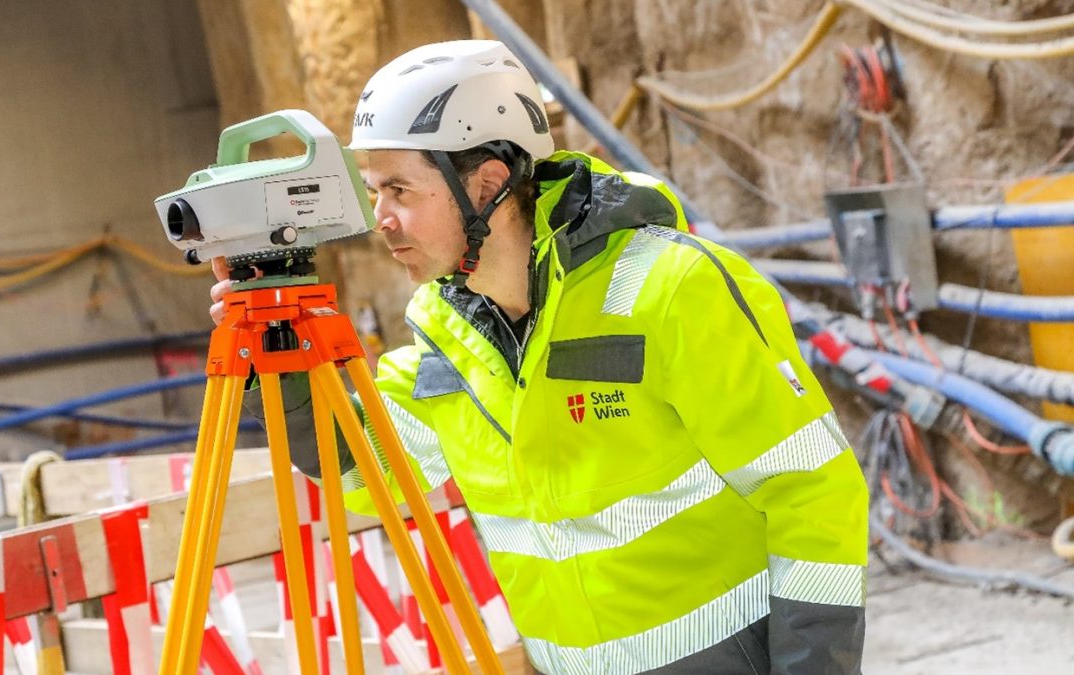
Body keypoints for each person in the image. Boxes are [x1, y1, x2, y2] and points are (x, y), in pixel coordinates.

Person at [210, 40, 868, 675]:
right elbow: (363, 468)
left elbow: (812, 491)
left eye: (400, 191)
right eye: (373, 190)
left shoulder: (671, 288)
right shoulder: (445, 333)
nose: (380, 218)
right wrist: (277, 361)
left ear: (487, 184)